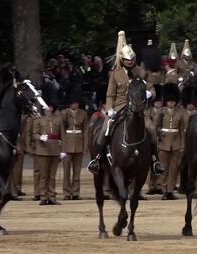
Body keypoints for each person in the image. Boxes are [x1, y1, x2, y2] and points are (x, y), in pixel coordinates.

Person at [87, 30, 152, 174]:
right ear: (122, 59)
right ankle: (97, 158)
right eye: (127, 59)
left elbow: (151, 88)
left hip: (138, 108)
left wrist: (148, 93)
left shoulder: (140, 72)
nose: (130, 61)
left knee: (151, 129)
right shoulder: (116, 74)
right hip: (120, 107)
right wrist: (110, 108)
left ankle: (154, 160)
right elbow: (110, 94)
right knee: (105, 129)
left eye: (132, 59)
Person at [156, 83, 188, 200]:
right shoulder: (161, 111)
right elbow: (156, 127)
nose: (171, 103)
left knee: (174, 169)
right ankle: (164, 189)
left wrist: (183, 145)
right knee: (163, 168)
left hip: (176, 143)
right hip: (163, 143)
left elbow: (183, 129)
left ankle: (170, 190)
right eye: (169, 101)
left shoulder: (181, 112)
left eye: (173, 101)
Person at [33, 103, 63, 205]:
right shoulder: (38, 119)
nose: (48, 109)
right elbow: (34, 134)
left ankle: (52, 196)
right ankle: (43, 196)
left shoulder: (58, 119)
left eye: (50, 107)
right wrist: (40, 137)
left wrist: (63, 150)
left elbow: (62, 135)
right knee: (43, 176)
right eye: (46, 107)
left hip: (55, 150)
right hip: (43, 150)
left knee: (52, 176)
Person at [60, 96, 88, 200]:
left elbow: (85, 130)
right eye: (73, 103)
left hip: (79, 143)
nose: (75, 105)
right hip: (67, 143)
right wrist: (61, 147)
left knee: (77, 171)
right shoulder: (64, 113)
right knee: (66, 171)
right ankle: (66, 193)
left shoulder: (83, 113)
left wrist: (85, 146)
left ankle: (76, 192)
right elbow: (61, 130)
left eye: (76, 103)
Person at [145, 86, 164, 195]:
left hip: (161, 139)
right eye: (157, 103)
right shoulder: (149, 111)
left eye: (160, 102)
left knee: (159, 162)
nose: (158, 104)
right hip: (153, 137)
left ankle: (158, 184)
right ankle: (151, 185)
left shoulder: (163, 111)